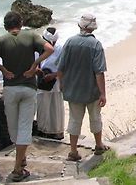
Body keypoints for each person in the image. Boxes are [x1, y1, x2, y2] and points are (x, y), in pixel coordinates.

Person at [0, 11, 54, 182]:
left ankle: (19, 164)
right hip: (29, 88)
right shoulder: (31, 36)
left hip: (10, 89)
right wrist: (35, 65)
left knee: (13, 128)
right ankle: (19, 164)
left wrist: (2, 69)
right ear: (21, 23)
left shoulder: (1, 40)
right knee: (25, 126)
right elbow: (49, 49)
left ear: (5, 26)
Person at [57, 14, 108, 162]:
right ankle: (98, 145)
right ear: (92, 28)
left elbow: (61, 67)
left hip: (73, 89)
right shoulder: (96, 45)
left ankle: (73, 150)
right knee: (95, 118)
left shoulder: (69, 42)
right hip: (91, 90)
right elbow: (99, 71)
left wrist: (61, 83)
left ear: (80, 26)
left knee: (74, 120)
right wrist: (103, 93)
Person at [36, 27, 64, 140]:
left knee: (56, 107)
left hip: (56, 81)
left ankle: (57, 132)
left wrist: (54, 75)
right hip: (42, 82)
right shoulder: (38, 48)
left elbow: (65, 67)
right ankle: (43, 130)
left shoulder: (61, 49)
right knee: (42, 106)